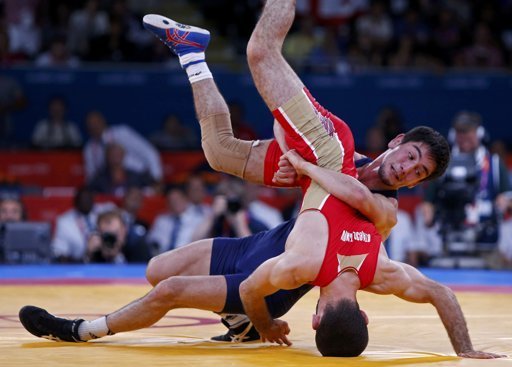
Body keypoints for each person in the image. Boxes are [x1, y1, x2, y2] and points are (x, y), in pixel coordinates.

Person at [17, 9, 504, 359]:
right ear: (397, 143)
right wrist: (465, 352)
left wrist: (302, 162)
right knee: (218, 154)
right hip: (304, 186)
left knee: (164, 280)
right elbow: (434, 287)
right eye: (412, 160)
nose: (407, 172)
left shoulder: (365, 229)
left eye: (418, 175)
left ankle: (82, 330)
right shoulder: (380, 266)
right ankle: (192, 53)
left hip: (297, 208)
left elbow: (353, 195)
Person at [414, 111, 512, 267]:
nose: (464, 137)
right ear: (453, 135)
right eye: (460, 132)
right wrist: (429, 213)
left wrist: (505, 202)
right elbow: (428, 201)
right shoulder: (442, 164)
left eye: (468, 132)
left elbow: (508, 198)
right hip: (447, 244)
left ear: (479, 133)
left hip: (486, 245)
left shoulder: (493, 163)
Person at [82, 110, 163, 189]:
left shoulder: (121, 133)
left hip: (138, 178)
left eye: (96, 122)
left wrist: (157, 179)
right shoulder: (89, 148)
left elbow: (150, 153)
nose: (94, 126)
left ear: (103, 121)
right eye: (90, 124)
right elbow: (92, 174)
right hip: (111, 184)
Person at [85, 210, 150, 264]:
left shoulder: (137, 244)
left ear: (124, 229)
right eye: (106, 234)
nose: (111, 238)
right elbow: (84, 275)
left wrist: (116, 256)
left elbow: (139, 275)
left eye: (115, 233)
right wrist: (89, 254)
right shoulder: (98, 249)